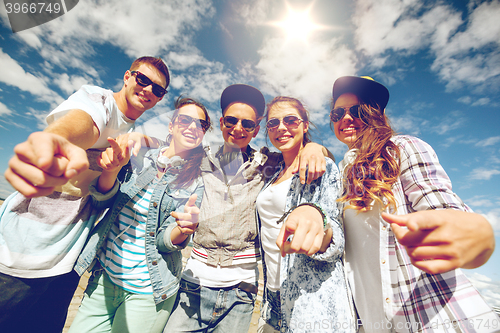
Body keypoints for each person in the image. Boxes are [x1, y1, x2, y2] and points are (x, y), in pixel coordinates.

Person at [0, 56, 169, 333]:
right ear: (127, 77)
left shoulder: (133, 133)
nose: (148, 90)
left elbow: (174, 141)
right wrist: (56, 139)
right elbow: (83, 123)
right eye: (142, 80)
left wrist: (145, 139)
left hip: (68, 262)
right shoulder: (99, 100)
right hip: (21, 254)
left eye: (158, 89)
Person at [330, 76, 498, 332]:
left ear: (376, 113)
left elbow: (443, 209)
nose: (346, 118)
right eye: (337, 113)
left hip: (435, 317)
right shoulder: (340, 172)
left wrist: (475, 234)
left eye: (357, 110)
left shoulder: (400, 148)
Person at [164, 85, 331, 333]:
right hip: (193, 285)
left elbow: (302, 157)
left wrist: (315, 147)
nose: (238, 128)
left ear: (255, 130)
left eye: (248, 125)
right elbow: (167, 150)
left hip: (241, 292)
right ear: (221, 122)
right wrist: (137, 137)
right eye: (231, 121)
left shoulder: (268, 164)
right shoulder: (200, 159)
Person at [68, 97, 210, 333]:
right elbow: (102, 201)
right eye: (185, 120)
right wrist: (110, 172)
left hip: (149, 290)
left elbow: (164, 241)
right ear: (171, 125)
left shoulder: (197, 180)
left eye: (201, 125)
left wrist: (183, 230)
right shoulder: (139, 156)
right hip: (105, 277)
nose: (193, 127)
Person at [256, 96, 353, 333]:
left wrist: (320, 223)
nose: (281, 127)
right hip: (273, 297)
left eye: (290, 120)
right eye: (273, 123)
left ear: (305, 125)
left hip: (312, 300)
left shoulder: (322, 167)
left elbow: (337, 238)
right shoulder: (272, 174)